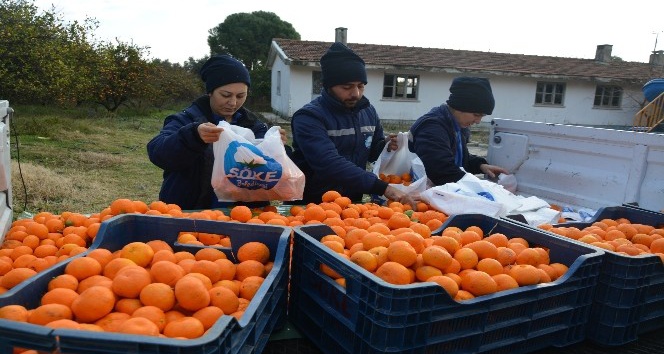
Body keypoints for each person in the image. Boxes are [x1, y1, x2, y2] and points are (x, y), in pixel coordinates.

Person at [147, 54, 284, 210]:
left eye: (240, 96)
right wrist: (193, 136)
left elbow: (277, 172)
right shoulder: (186, 120)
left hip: (243, 216)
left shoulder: (254, 126)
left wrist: (278, 147)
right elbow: (158, 152)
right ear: (210, 92)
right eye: (226, 95)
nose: (233, 103)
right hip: (191, 213)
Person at [288, 42, 417, 208]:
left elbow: (371, 153)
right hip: (312, 204)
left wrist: (385, 146)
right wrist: (383, 188)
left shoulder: (368, 111)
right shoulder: (309, 117)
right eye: (347, 87)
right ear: (328, 86)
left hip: (352, 204)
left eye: (360, 86)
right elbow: (329, 163)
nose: (355, 93)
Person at [408, 76, 509, 186]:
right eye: (476, 115)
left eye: (482, 116)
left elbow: (458, 158)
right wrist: (481, 187)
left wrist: (480, 165)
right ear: (460, 106)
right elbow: (441, 170)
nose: (478, 121)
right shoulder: (432, 128)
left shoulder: (456, 125)